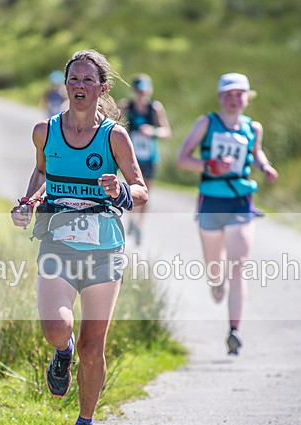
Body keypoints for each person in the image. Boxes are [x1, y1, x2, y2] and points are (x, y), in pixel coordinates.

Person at [11, 50, 147, 425]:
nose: (80, 86)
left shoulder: (113, 137)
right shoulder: (45, 131)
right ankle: (61, 351)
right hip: (58, 242)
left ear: (102, 88)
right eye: (74, 79)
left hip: (105, 250)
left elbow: (140, 189)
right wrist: (30, 202)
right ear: (66, 85)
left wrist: (119, 192)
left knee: (94, 348)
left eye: (89, 80)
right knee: (56, 327)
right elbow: (41, 173)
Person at [175, 72, 278, 356]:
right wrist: (210, 165)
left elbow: (257, 153)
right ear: (220, 98)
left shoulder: (252, 127)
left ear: (247, 97)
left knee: (238, 269)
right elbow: (182, 159)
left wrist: (265, 166)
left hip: (241, 203)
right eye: (228, 95)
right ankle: (215, 283)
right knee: (215, 269)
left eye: (239, 95)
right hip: (211, 202)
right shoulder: (206, 123)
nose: (234, 100)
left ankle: (234, 331)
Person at [119, 74, 171, 245]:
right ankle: (132, 221)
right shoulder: (127, 106)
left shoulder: (155, 108)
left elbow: (166, 131)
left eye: (144, 91)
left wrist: (153, 132)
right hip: (131, 157)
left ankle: (139, 225)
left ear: (149, 90)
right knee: (131, 190)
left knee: (145, 193)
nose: (142, 94)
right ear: (134, 91)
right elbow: (114, 123)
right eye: (139, 91)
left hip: (149, 157)